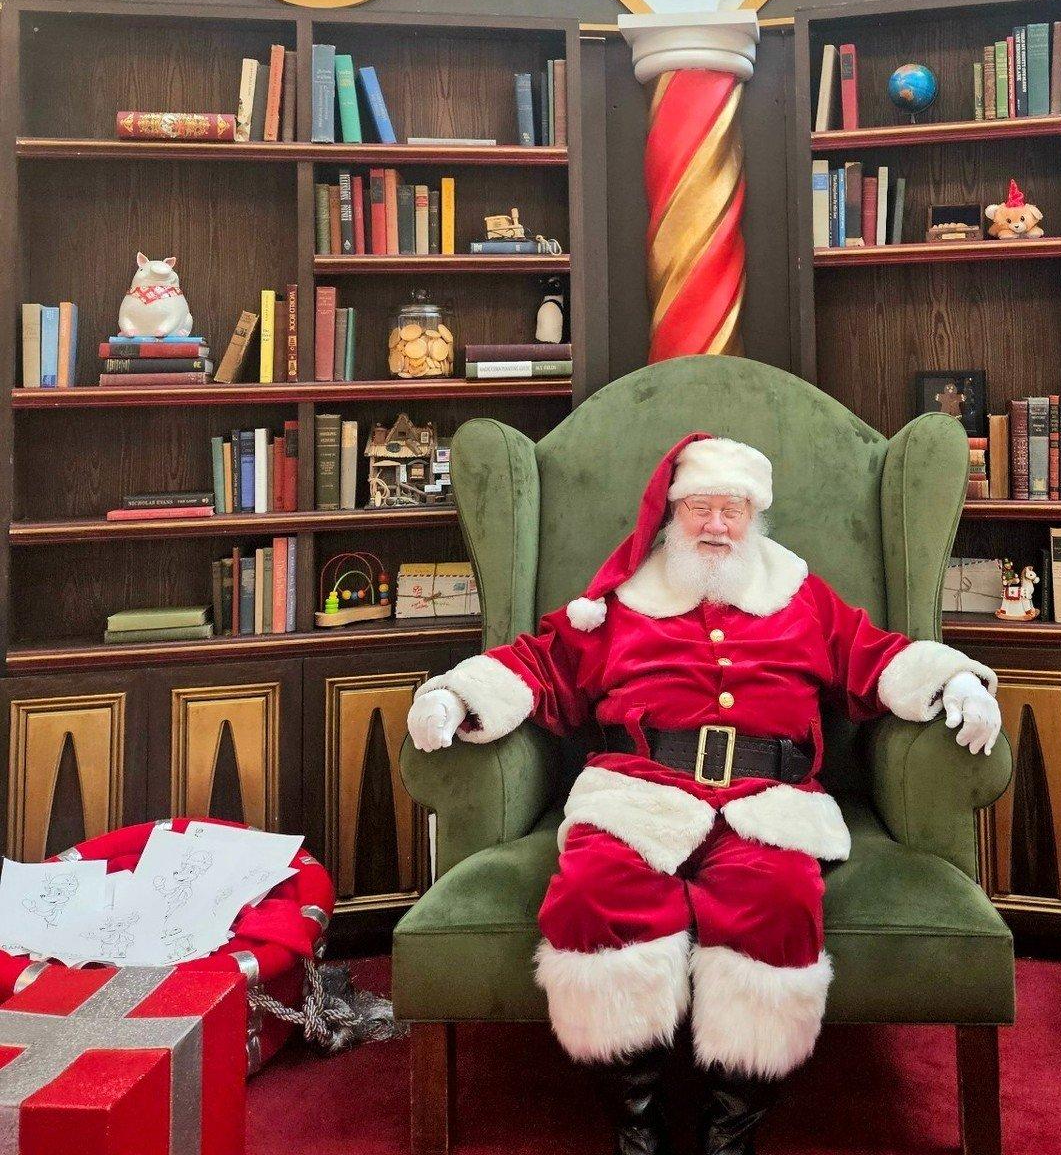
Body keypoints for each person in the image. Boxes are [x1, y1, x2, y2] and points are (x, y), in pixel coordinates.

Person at [407, 432, 1002, 1155]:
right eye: (700, 508)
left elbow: (875, 656)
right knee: (594, 893)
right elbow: (543, 662)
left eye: (732, 509)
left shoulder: (800, 593)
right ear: (672, 515)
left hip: (769, 800)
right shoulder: (622, 603)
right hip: (637, 791)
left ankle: (731, 1127)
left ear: (755, 518)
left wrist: (956, 682)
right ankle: (636, 1122)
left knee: (780, 903)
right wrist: (458, 696)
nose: (716, 525)